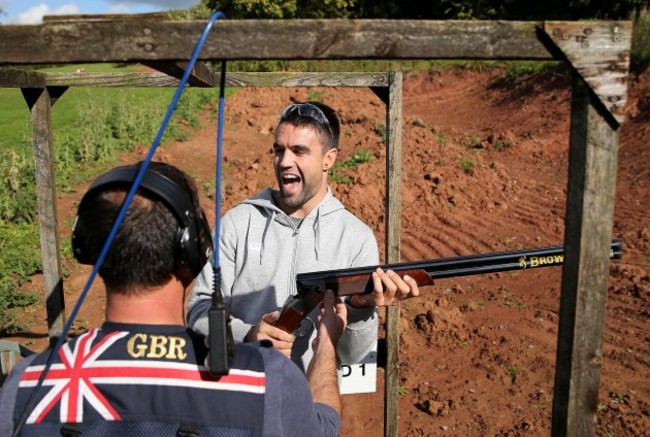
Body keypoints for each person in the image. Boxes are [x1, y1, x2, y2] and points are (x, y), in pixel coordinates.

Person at [0, 162, 345, 436]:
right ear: (195, 250)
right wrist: (327, 340)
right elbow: (323, 428)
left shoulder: (27, 384)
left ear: (88, 248)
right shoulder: (264, 380)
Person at [187, 102, 420, 372]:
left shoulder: (356, 238)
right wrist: (247, 335)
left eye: (299, 151)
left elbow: (352, 356)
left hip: (312, 402)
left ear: (328, 159)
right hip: (240, 397)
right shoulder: (237, 224)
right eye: (279, 150)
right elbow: (198, 312)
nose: (285, 161)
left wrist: (360, 309)